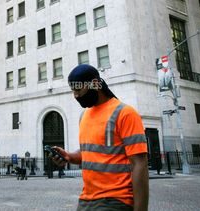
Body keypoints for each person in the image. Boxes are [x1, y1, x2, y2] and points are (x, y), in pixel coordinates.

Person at [51, 64, 149, 211]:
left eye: (78, 89)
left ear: (95, 84)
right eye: (73, 90)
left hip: (116, 200)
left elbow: (139, 165)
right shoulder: (85, 116)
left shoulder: (125, 113)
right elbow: (90, 154)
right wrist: (69, 156)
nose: (75, 95)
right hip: (86, 200)